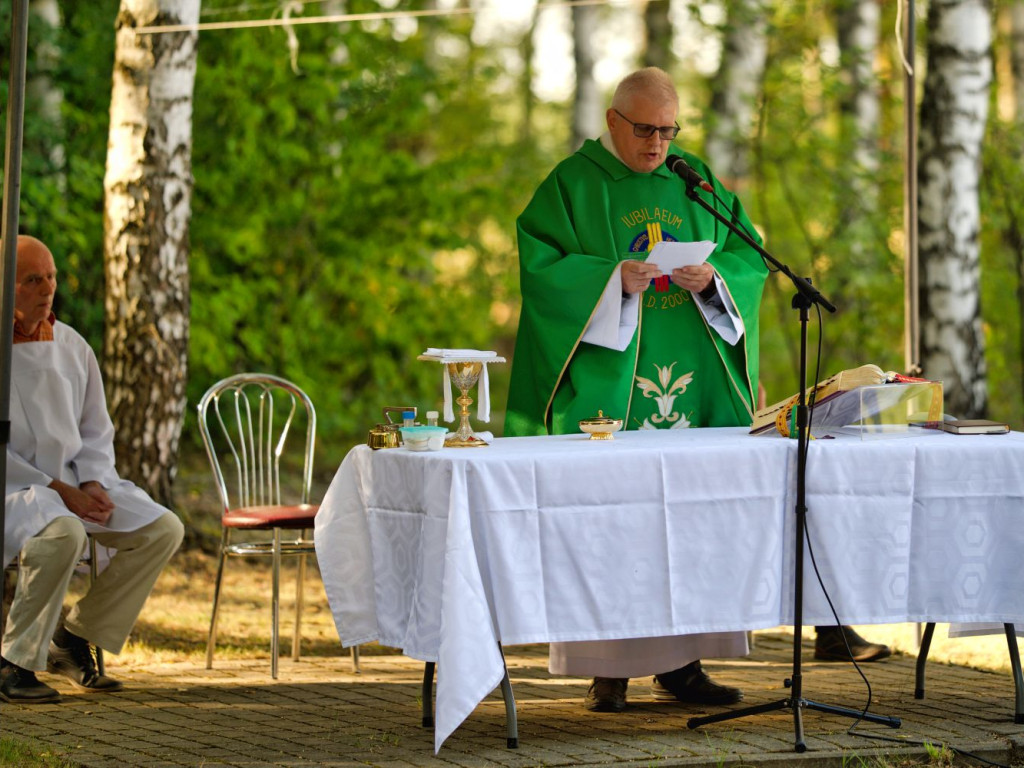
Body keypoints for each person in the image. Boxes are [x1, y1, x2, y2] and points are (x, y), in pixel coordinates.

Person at [504, 67, 768, 712]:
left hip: (694, 373)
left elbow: (750, 257)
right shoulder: (573, 183)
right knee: (615, 523)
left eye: (668, 130)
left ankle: (685, 664)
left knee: (694, 520)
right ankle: (608, 668)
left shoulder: (691, 177)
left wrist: (716, 281)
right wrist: (611, 279)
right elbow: (541, 271)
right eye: (646, 129)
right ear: (613, 122)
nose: (658, 143)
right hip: (611, 386)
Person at [1, 235, 185, 704]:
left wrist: (92, 482)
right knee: (64, 533)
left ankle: (75, 635)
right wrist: (61, 490)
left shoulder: (73, 345)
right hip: (18, 488)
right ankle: (16, 663)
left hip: (75, 481)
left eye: (52, 276)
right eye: (32, 279)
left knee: (163, 528)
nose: (47, 289)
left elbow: (96, 431)